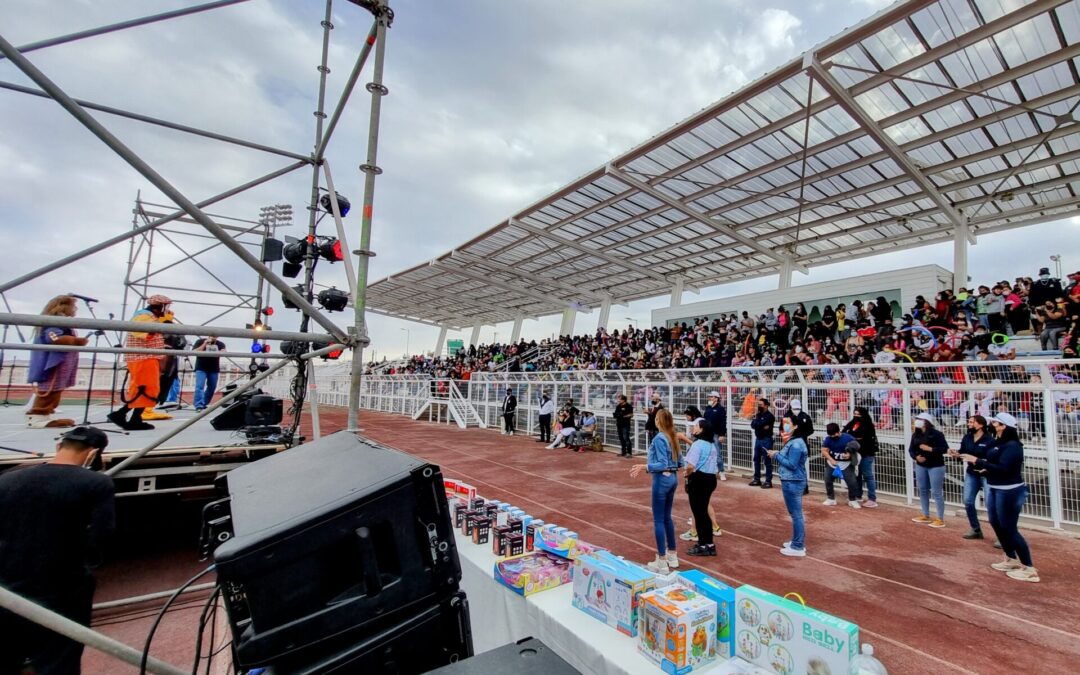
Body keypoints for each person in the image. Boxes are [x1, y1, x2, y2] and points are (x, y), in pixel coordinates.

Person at [0, 426, 114, 675]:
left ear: (58, 446)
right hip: (63, 589)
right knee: (59, 660)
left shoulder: (7, 478)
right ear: (93, 453)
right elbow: (101, 534)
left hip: (7, 588)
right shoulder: (96, 483)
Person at [960, 412, 1039, 582]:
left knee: (1009, 528)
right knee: (996, 523)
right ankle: (1010, 558)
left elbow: (1004, 468)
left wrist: (978, 462)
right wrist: (986, 468)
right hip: (996, 488)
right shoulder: (997, 443)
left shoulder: (1013, 446)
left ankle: (1029, 568)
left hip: (1009, 491)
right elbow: (995, 464)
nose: (992, 425)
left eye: (996, 423)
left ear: (1004, 426)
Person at [107, 295, 172, 430]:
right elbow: (144, 334)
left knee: (146, 388)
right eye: (166, 306)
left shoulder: (150, 317)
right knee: (144, 388)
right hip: (142, 358)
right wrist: (163, 323)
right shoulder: (143, 316)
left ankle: (129, 416)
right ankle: (129, 417)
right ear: (160, 306)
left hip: (147, 357)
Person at [630, 408, 682, 573]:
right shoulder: (672, 436)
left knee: (659, 519)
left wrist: (644, 466)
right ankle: (672, 555)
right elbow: (680, 462)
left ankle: (661, 560)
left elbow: (662, 463)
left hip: (662, 480)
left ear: (659, 421)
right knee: (667, 517)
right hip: (673, 478)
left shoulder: (660, 438)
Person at [25, 295, 87, 429]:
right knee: (50, 389)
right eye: (73, 306)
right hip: (54, 363)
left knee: (56, 389)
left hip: (62, 362)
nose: (75, 309)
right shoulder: (55, 323)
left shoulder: (62, 322)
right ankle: (37, 415)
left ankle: (46, 415)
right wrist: (75, 341)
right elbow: (53, 338)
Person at [768, 410, 809, 557]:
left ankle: (798, 545)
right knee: (795, 513)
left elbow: (792, 464)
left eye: (788, 423)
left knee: (796, 514)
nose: (784, 426)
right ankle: (796, 542)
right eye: (783, 423)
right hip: (792, 480)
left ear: (796, 426)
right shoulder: (793, 441)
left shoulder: (796, 443)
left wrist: (776, 455)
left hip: (793, 480)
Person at [948, 415, 995, 540]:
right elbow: (963, 452)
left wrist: (978, 461)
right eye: (969, 422)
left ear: (980, 425)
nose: (969, 424)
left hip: (986, 475)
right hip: (971, 473)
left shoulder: (989, 440)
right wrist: (956, 454)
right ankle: (976, 529)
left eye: (971, 422)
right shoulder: (967, 437)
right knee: (968, 501)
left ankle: (1001, 536)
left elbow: (993, 459)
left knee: (991, 505)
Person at [683, 419, 718, 557]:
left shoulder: (697, 445)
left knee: (699, 513)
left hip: (699, 479)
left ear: (701, 429)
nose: (694, 428)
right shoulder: (712, 445)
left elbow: (691, 465)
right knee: (703, 512)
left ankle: (703, 544)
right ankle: (709, 544)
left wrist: (687, 474)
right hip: (710, 479)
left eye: (696, 426)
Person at [909, 412, 949, 528]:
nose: (916, 421)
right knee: (922, 489)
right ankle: (925, 515)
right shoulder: (915, 435)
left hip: (936, 465)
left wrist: (930, 449)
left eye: (919, 419)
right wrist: (916, 457)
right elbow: (911, 449)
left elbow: (944, 449)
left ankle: (940, 518)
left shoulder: (937, 434)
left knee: (936, 492)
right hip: (921, 465)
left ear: (926, 422)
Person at [843, 406, 879, 508]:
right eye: (855, 414)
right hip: (856, 453)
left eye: (858, 414)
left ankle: (872, 498)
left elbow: (863, 437)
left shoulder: (868, 425)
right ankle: (858, 495)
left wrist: (853, 437)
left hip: (866, 453)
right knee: (857, 475)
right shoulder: (853, 423)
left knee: (868, 476)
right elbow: (845, 432)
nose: (856, 416)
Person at [821, 423, 861, 508]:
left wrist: (849, 454)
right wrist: (831, 460)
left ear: (838, 431)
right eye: (831, 435)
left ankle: (852, 500)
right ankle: (831, 498)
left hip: (846, 463)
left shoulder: (848, 437)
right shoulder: (828, 439)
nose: (834, 436)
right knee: (828, 480)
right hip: (832, 463)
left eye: (835, 434)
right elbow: (824, 451)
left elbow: (856, 446)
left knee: (852, 482)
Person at [192, 334, 226, 411]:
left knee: (212, 387)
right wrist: (205, 344)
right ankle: (198, 405)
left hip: (213, 368)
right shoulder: (200, 341)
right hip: (201, 367)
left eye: (215, 336)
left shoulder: (220, 344)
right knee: (199, 386)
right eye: (211, 336)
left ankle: (204, 403)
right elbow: (195, 352)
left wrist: (221, 351)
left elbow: (224, 352)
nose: (213, 337)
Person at [748, 397, 775, 488]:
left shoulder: (770, 416)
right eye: (758, 404)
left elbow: (758, 424)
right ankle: (757, 479)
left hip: (766, 440)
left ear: (766, 405)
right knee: (756, 459)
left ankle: (768, 481)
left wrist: (758, 424)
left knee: (767, 461)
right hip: (758, 439)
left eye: (761, 405)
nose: (759, 406)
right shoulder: (758, 415)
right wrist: (759, 424)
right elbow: (753, 425)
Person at [702, 391, 728, 481]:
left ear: (716, 398)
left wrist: (722, 434)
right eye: (709, 397)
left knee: (717, 454)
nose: (710, 398)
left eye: (711, 397)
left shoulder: (720, 409)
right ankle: (709, 471)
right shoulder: (708, 408)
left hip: (716, 434)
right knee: (707, 453)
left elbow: (723, 423)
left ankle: (721, 471)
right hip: (707, 434)